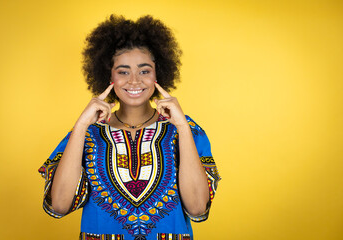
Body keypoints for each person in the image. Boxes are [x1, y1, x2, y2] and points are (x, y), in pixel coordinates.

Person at [38, 15, 220, 240]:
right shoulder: (86, 133)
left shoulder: (186, 131)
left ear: (158, 74)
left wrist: (181, 125)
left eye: (144, 71)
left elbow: (197, 209)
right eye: (123, 72)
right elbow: (59, 205)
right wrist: (83, 124)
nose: (134, 81)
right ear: (108, 76)